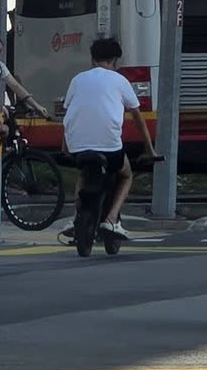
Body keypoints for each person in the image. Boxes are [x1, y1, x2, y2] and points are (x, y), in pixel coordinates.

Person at [56, 37, 153, 246]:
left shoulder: (78, 79)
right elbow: (138, 119)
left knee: (83, 174)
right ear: (116, 60)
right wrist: (150, 149)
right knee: (126, 175)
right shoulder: (120, 81)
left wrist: (64, 147)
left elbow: (69, 116)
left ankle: (76, 218)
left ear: (92, 59)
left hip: (78, 145)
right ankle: (111, 220)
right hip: (110, 147)